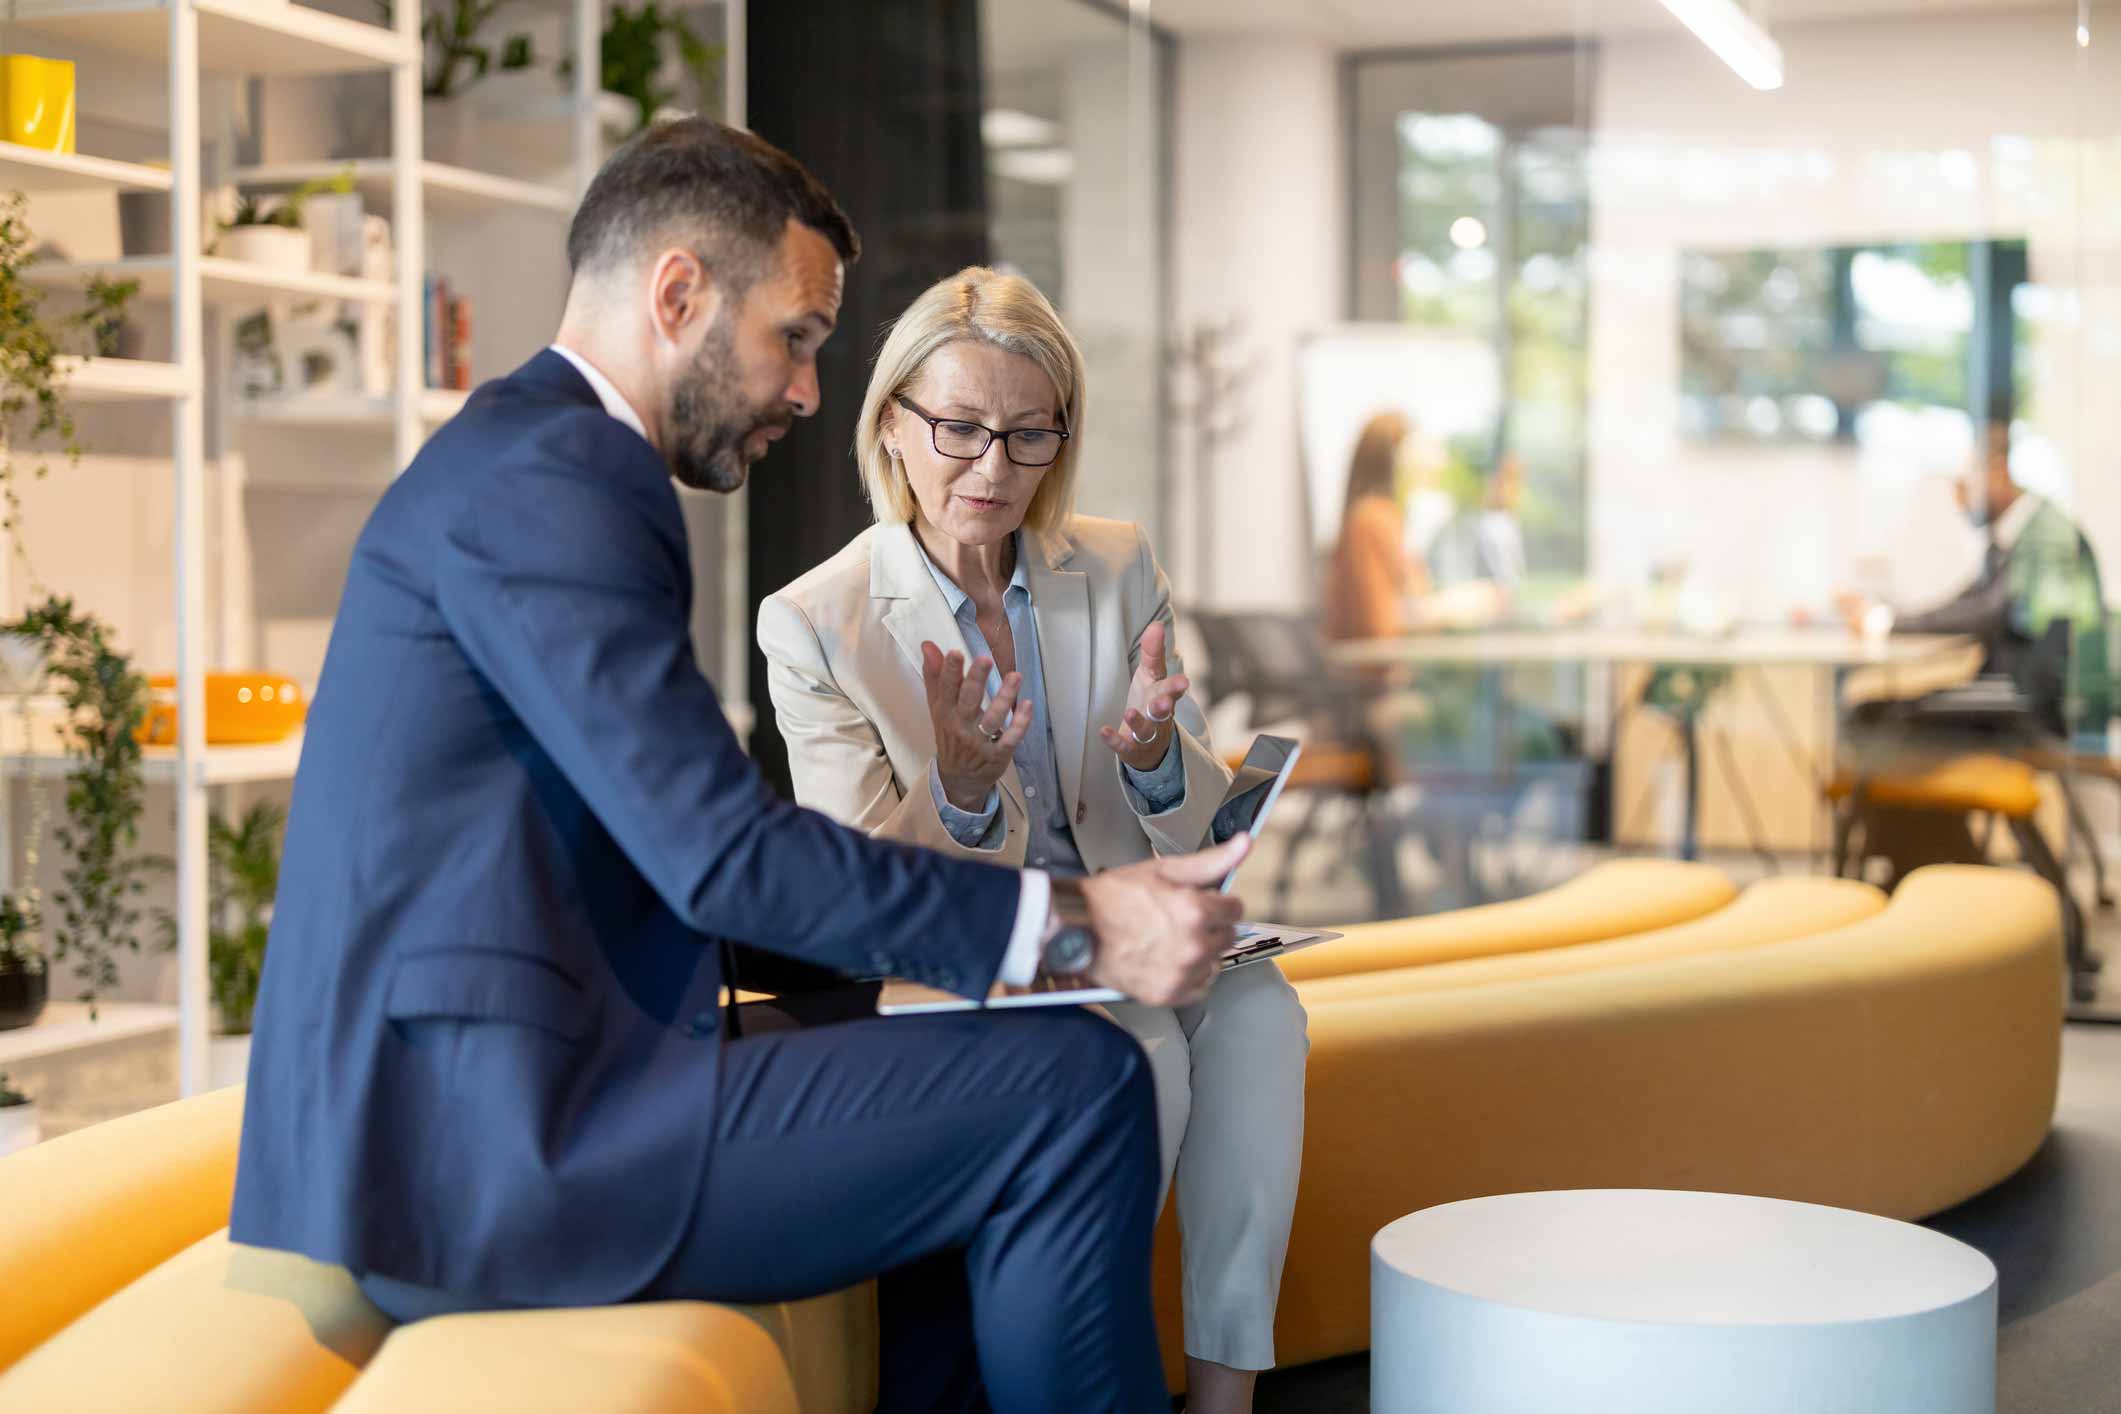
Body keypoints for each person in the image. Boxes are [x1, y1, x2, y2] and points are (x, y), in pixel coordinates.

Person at [228, 119, 1251, 1414]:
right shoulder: (560, 479)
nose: (812, 393)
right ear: (678, 294)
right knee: (1080, 1088)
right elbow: (720, 853)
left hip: (512, 1096)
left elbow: (673, 852)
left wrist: (940, 967)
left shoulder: (532, 457)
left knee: (997, 1055)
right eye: (799, 338)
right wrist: (1079, 934)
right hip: (496, 1151)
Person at [757, 267, 1310, 1414]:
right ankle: (1081, 1369)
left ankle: (1223, 1395)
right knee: (1139, 1038)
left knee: (1261, 1014)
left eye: (1028, 434)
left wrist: (1158, 751)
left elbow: (1197, 822)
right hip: (969, 960)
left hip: (1125, 928)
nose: (995, 469)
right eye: (960, 429)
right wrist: (961, 790)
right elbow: (855, 890)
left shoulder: (1111, 567)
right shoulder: (818, 620)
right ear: (893, 427)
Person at [1842, 416, 2110, 741]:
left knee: (1872, 718)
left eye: (1965, 486)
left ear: (1997, 472)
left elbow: (1989, 610)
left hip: (2036, 703)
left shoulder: (2046, 535)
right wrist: (1885, 617)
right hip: (2013, 689)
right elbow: (1968, 601)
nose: (1959, 500)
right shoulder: (2013, 538)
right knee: (1871, 711)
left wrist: (1884, 623)